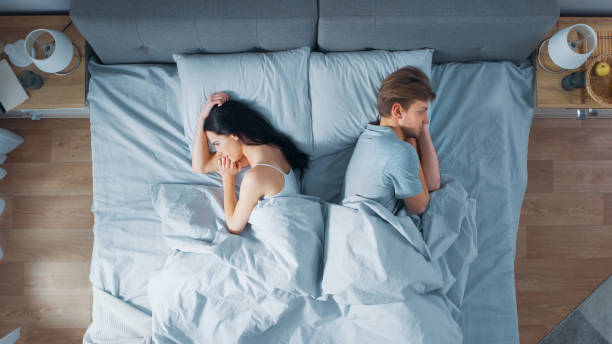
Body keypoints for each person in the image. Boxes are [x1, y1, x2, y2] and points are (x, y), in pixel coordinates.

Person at [192, 92, 309, 234]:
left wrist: (227, 178)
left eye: (217, 143)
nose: (219, 151)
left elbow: (234, 227)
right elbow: (200, 166)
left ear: (234, 134)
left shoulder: (255, 178)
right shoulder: (272, 147)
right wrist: (201, 120)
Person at [343, 66, 441, 215]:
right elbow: (420, 206)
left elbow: (431, 183)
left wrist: (419, 127)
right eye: (421, 111)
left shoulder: (369, 134)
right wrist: (412, 148)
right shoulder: (400, 151)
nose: (426, 120)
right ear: (397, 111)